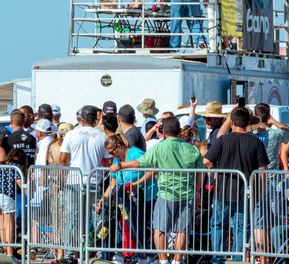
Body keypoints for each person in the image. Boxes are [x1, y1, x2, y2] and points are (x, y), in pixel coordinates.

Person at [111, 116, 206, 264]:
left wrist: (119, 166)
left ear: (164, 132)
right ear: (180, 131)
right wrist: (197, 191)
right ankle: (177, 261)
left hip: (165, 194)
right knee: (181, 231)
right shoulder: (192, 149)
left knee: (159, 229)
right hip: (187, 194)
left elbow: (139, 163)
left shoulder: (159, 148)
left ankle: (163, 261)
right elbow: (201, 172)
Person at [203, 107, 268, 264]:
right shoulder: (256, 142)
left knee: (218, 225)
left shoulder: (222, 140)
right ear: (248, 124)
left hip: (223, 191)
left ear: (231, 122)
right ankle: (238, 258)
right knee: (240, 228)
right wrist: (259, 191)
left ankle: (217, 258)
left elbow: (206, 161)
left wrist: (216, 170)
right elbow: (263, 170)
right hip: (244, 193)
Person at [59, 105, 112, 263]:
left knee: (72, 219)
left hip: (74, 181)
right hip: (94, 181)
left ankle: (69, 255)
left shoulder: (71, 134)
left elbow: (63, 160)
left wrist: (62, 181)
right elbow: (108, 161)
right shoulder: (101, 136)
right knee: (98, 219)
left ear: (80, 118)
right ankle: (100, 253)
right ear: (95, 119)